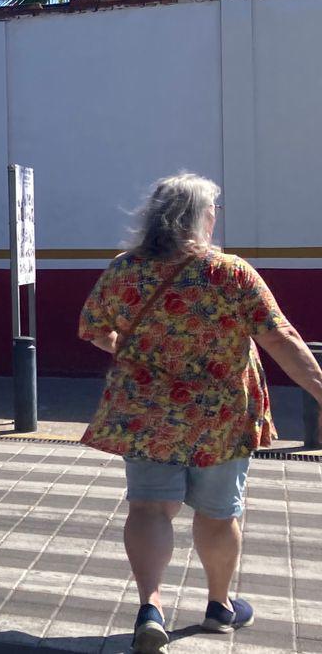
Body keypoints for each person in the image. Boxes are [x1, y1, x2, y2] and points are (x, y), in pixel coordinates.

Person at [77, 174, 322, 652]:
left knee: (148, 508)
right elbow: (281, 338)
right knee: (217, 512)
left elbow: (95, 330)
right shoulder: (229, 272)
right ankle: (219, 606)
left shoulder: (125, 271)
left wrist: (132, 348)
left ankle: (151, 607)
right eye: (214, 211)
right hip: (220, 416)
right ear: (200, 217)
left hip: (146, 414)